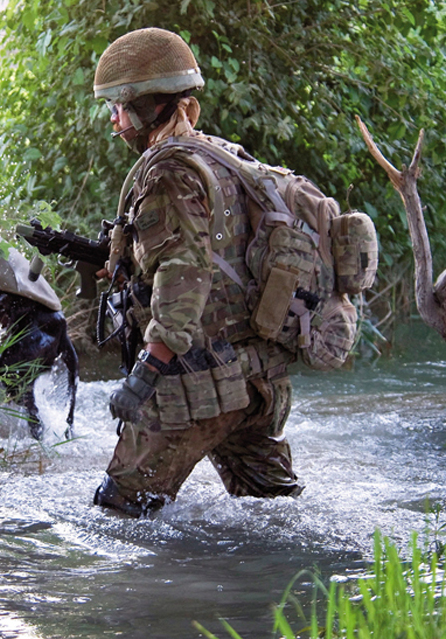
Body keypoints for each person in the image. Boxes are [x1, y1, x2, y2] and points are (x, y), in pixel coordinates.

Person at [91, 27, 304, 517]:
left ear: (145, 108)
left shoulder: (167, 172)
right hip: (258, 382)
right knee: (275, 512)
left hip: (197, 384)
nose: (114, 123)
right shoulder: (222, 155)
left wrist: (145, 376)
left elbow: (184, 273)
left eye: (118, 110)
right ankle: (294, 592)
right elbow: (218, 262)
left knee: (120, 515)